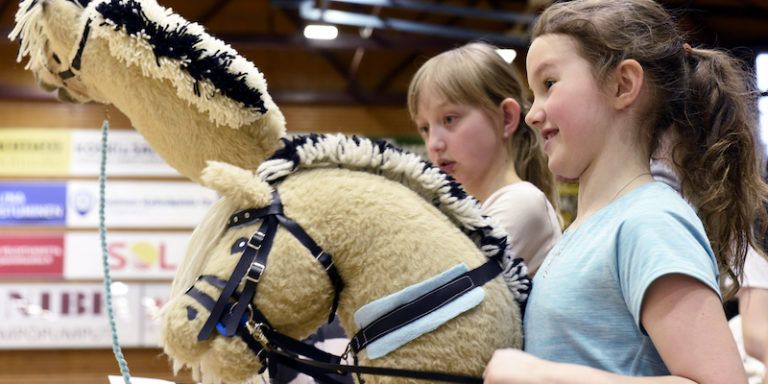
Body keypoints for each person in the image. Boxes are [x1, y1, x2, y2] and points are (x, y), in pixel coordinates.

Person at [483, 0, 768, 382]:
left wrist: (541, 376)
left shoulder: (649, 222)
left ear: (623, 85)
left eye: (549, 84)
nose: (533, 113)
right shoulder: (589, 227)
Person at [407, 41, 562, 276]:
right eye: (425, 128)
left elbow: (439, 294)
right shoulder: (469, 211)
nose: (434, 144)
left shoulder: (521, 202)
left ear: (507, 118)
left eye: (450, 119)